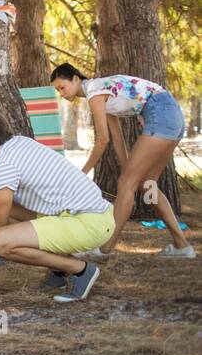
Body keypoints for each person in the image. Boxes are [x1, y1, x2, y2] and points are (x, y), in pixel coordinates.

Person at [0, 108, 114, 303]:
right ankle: (58, 271)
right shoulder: (20, 143)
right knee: (8, 210)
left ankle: (80, 270)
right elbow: (35, 175)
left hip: (89, 223)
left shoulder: (3, 165)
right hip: (96, 214)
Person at [50, 63, 194, 259]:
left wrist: (81, 173)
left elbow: (102, 140)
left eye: (62, 87)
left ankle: (104, 249)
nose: (62, 93)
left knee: (128, 183)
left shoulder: (94, 92)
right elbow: (116, 139)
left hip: (160, 113)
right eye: (58, 90)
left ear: (76, 79)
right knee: (147, 184)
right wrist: (128, 172)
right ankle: (182, 245)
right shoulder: (101, 91)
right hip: (171, 114)